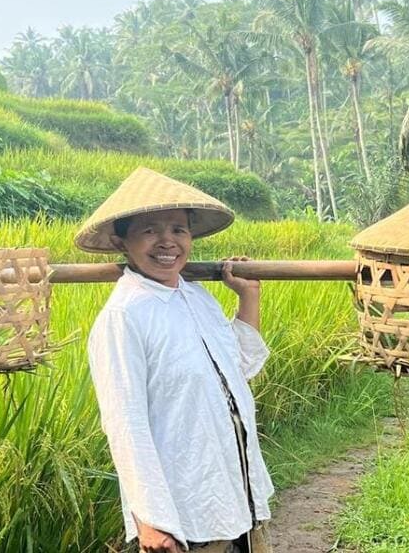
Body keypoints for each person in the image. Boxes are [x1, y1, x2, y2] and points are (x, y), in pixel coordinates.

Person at [76, 167, 274, 553]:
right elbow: (125, 424)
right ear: (122, 240)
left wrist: (248, 297)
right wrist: (152, 520)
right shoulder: (125, 316)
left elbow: (239, 368)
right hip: (184, 516)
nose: (167, 242)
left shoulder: (196, 295)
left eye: (178, 230)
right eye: (150, 230)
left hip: (236, 497)